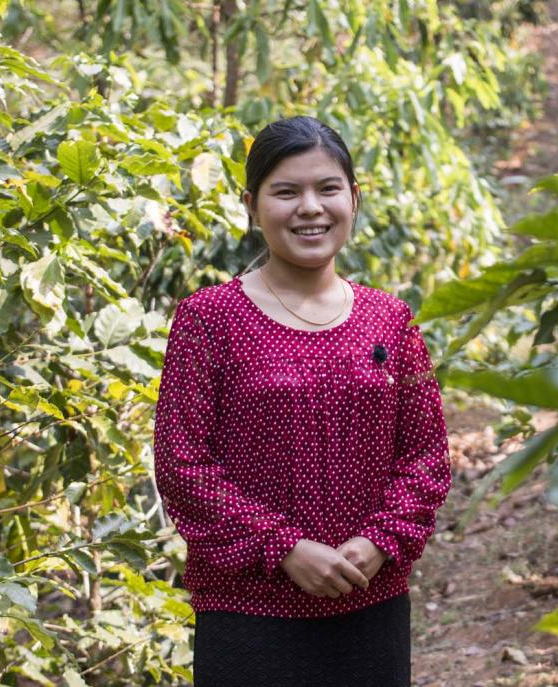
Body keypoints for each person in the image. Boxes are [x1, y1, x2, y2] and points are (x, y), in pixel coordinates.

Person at [152, 115, 452, 686]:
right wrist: (285, 547)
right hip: (248, 611)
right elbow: (182, 464)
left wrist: (379, 540)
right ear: (252, 204)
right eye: (286, 192)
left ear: (353, 198)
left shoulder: (389, 319)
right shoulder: (208, 320)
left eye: (327, 188)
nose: (310, 208)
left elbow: (426, 456)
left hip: (370, 600)